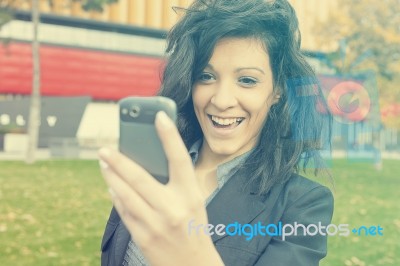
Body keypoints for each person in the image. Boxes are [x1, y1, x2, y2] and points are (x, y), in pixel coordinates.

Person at [98, 0, 334, 265]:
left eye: (247, 80)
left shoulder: (302, 204)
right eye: (206, 77)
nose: (222, 100)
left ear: (277, 91)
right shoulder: (150, 172)